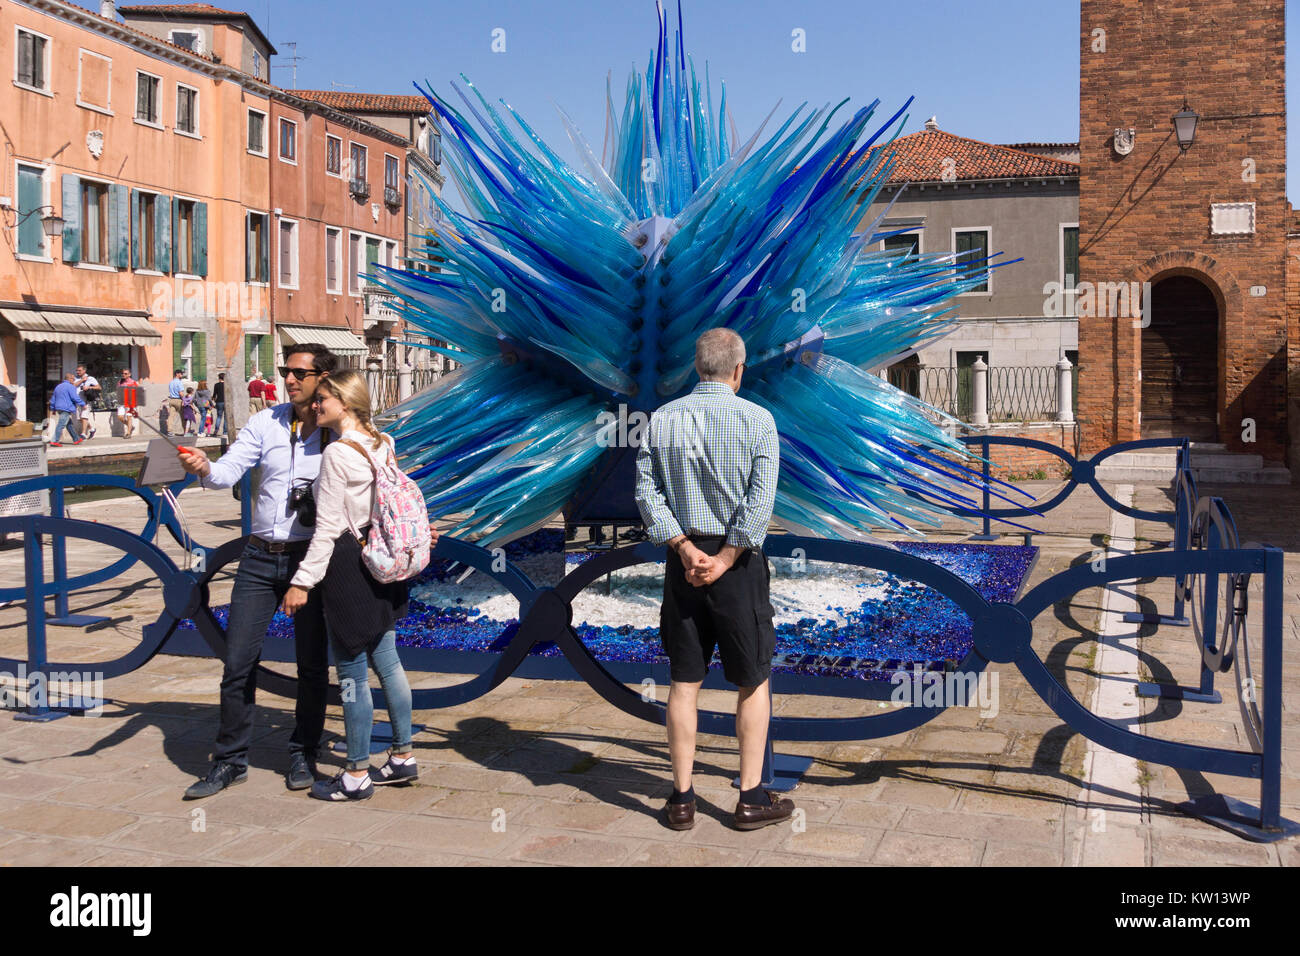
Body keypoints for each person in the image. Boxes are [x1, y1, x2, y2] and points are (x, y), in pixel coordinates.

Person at [634, 327, 792, 832]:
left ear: (696, 367)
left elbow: (646, 493)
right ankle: (749, 798)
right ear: (738, 371)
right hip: (737, 567)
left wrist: (683, 547)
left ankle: (681, 800)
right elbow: (759, 501)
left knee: (683, 683)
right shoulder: (758, 420)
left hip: (684, 567)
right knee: (752, 680)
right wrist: (724, 557)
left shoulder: (662, 419)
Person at [175, 344, 339, 799]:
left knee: (311, 665)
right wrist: (204, 467)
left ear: (323, 378)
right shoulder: (265, 422)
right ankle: (230, 760)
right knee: (237, 662)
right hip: (260, 557)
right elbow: (227, 473)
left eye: (299, 373)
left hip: (311, 559)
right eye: (286, 371)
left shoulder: (337, 431)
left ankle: (304, 752)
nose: (289, 379)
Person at [281, 370, 430, 801]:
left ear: (344, 403)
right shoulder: (384, 443)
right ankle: (402, 756)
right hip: (383, 558)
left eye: (322, 399)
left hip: (349, 564)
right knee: (388, 660)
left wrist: (301, 583)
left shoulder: (336, 456)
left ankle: (355, 774)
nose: (314, 405)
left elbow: (326, 529)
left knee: (350, 672)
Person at [48, 372, 85, 447]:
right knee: (61, 424)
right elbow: (74, 397)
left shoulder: (58, 386)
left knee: (69, 424)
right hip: (66, 408)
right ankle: (54, 440)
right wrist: (83, 404)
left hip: (59, 408)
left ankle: (76, 439)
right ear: (70, 379)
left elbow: (53, 399)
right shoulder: (70, 387)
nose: (74, 381)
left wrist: (53, 408)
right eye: (73, 379)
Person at [74, 365, 100, 441]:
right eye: (77, 370)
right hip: (77, 401)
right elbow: (73, 386)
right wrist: (82, 380)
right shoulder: (76, 379)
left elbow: (99, 387)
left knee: (84, 417)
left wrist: (89, 387)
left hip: (86, 401)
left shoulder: (91, 378)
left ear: (84, 371)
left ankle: (83, 434)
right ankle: (92, 429)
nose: (78, 372)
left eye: (80, 370)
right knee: (80, 419)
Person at [117, 370, 139, 439]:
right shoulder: (120, 382)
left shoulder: (133, 382)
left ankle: (128, 433)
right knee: (120, 417)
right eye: (123, 373)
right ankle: (130, 426)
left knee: (129, 417)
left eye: (125, 374)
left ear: (129, 374)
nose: (124, 375)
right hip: (121, 402)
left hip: (130, 402)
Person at [166, 369, 185, 435]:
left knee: (171, 416)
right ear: (177, 374)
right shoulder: (179, 382)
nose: (182, 375)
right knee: (183, 416)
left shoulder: (171, 382)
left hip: (171, 400)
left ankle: (169, 431)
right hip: (178, 400)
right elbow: (181, 393)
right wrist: (184, 400)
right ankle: (186, 431)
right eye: (181, 373)